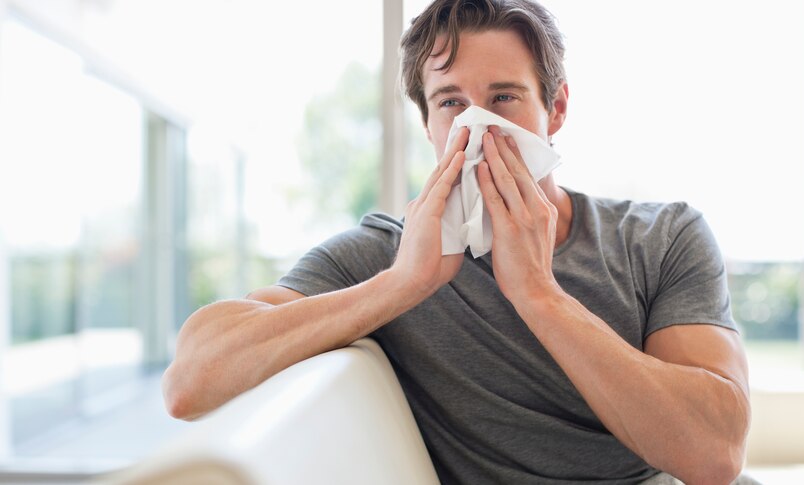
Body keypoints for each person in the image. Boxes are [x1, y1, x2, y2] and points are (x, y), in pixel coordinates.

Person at [162, 0, 752, 483]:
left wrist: (540, 296)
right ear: (428, 126)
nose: (478, 126)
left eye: (504, 98)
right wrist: (403, 284)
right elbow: (189, 382)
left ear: (557, 108)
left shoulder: (661, 237)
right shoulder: (383, 255)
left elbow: (715, 454)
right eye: (452, 103)